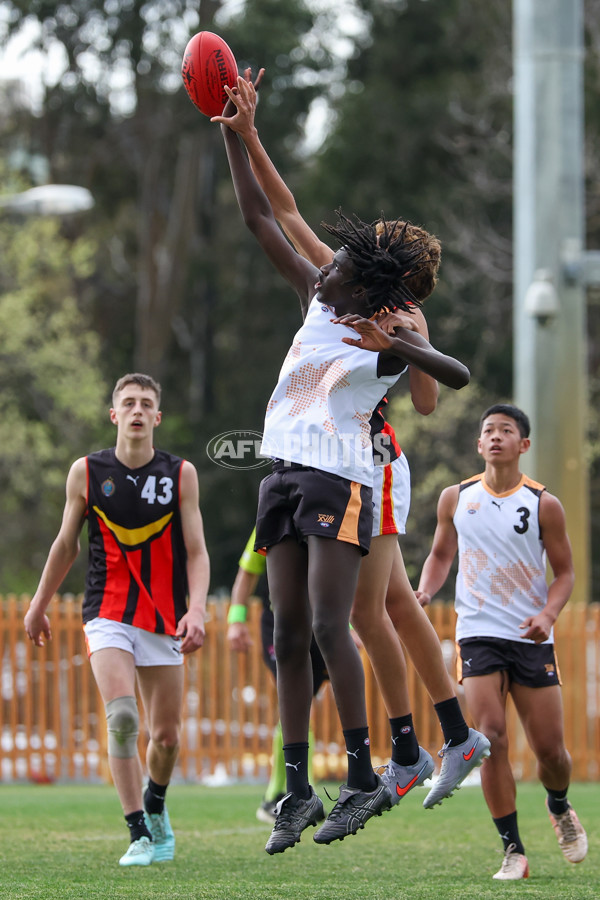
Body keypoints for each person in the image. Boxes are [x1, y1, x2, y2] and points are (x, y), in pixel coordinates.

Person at [215, 73, 490, 813]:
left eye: (368, 248)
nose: (341, 254)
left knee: (369, 615)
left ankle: (410, 750)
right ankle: (441, 738)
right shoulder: (331, 288)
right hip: (330, 462)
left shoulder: (395, 317)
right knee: (380, 609)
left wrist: (407, 345)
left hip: (369, 461)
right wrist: (245, 134)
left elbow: (430, 398)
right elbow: (280, 211)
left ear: (390, 279)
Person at [24, 373, 210, 868]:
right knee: (124, 718)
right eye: (128, 403)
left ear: (157, 417)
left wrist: (196, 608)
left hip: (163, 618)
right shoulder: (86, 472)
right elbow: (65, 545)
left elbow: (197, 551)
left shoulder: (180, 474)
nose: (136, 410)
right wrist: (39, 603)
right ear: (114, 415)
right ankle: (138, 832)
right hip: (106, 612)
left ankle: (155, 804)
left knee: (166, 737)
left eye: (146, 403)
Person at [416, 403, 588, 880]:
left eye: (506, 430)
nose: (495, 436)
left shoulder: (543, 503)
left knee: (551, 752)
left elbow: (565, 573)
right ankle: (513, 850)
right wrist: (425, 590)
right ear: (479, 444)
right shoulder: (455, 498)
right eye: (488, 430)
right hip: (477, 634)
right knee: (489, 739)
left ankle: (559, 806)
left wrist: (548, 614)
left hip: (530, 636)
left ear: (523, 444)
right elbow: (440, 555)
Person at [227, 527, 329, 823]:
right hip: (279, 622)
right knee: (297, 702)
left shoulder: (330, 515)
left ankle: (285, 794)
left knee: (304, 705)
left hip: (321, 624)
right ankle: (287, 792)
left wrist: (349, 625)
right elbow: (248, 571)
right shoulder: (272, 517)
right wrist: (236, 619)